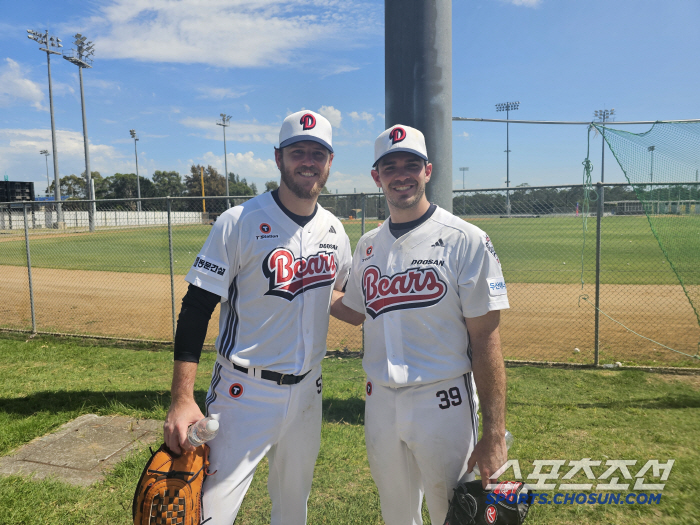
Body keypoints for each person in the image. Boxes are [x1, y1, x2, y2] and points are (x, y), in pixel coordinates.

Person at [164, 110, 352, 525]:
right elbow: (196, 307)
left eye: (317, 152)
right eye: (297, 151)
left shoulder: (336, 230)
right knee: (209, 512)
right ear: (278, 158)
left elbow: (335, 292)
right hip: (242, 393)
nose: (307, 160)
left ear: (330, 161)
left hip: (308, 391)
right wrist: (181, 399)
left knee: (292, 508)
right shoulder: (239, 222)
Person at [331, 125, 510, 525]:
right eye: (390, 166)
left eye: (411, 164)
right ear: (377, 177)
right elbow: (356, 309)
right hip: (380, 402)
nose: (401, 174)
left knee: (456, 512)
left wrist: (495, 433)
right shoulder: (368, 246)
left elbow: (486, 339)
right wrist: (315, 289)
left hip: (443, 400)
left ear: (428, 170)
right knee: (395, 513)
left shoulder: (467, 239)